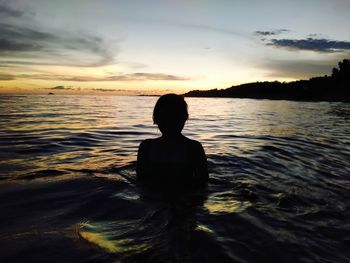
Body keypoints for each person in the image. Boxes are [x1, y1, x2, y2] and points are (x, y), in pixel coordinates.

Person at [136, 94, 208, 192]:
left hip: (166, 202)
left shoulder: (194, 148)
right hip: (182, 202)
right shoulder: (146, 147)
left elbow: (140, 183)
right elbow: (202, 185)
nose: (170, 122)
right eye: (166, 117)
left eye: (174, 117)